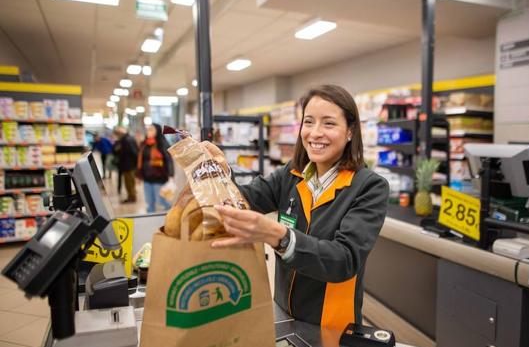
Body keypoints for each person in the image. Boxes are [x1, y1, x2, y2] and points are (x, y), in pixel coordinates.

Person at [207, 85, 389, 331]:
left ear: (350, 131)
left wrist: (278, 236)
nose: (315, 133)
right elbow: (245, 198)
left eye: (329, 124)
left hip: (331, 325)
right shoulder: (292, 174)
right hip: (284, 313)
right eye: (309, 122)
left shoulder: (368, 187)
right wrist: (218, 170)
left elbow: (344, 259)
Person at [137, 123, 174, 213]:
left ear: (157, 131)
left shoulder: (162, 143)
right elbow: (140, 160)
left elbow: (168, 160)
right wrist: (138, 175)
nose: (149, 131)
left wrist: (171, 174)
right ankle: (150, 220)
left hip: (159, 177)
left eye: (151, 129)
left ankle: (170, 214)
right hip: (147, 177)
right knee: (149, 202)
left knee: (161, 200)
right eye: (148, 129)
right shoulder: (144, 144)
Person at [112, 127, 139, 203]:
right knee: (130, 182)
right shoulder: (127, 139)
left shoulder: (126, 140)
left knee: (129, 182)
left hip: (128, 165)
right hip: (128, 165)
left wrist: (134, 163)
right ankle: (131, 197)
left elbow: (133, 153)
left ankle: (132, 198)